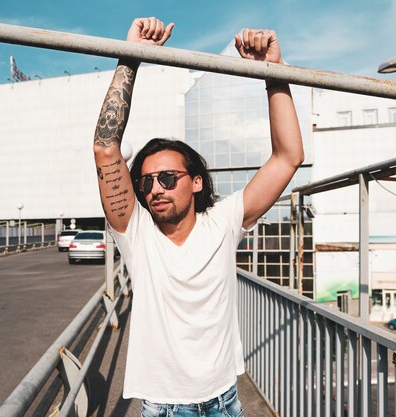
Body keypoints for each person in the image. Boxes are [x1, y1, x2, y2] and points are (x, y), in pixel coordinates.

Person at [93, 17, 303, 416]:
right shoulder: (137, 234)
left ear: (196, 183)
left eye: (169, 178)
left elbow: (288, 157)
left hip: (225, 401)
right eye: (147, 182)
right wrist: (131, 57)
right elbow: (106, 147)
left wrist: (272, 72)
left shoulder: (222, 223)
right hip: (166, 408)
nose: (155, 188)